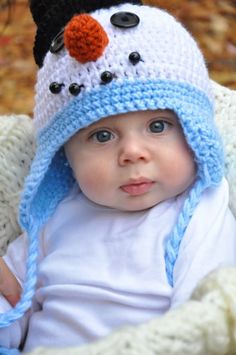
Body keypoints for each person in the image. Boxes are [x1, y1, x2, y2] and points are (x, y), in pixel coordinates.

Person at [0, 0, 236, 352]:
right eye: (102, 136)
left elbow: (203, 314)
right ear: (65, 156)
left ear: (195, 132)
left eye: (158, 126)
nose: (132, 153)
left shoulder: (200, 209)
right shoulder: (53, 215)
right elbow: (14, 301)